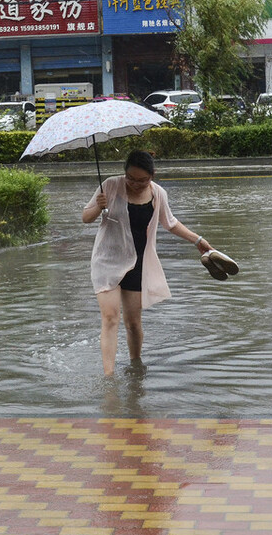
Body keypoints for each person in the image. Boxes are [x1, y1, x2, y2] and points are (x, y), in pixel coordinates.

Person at [81, 149, 214, 376]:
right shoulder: (111, 186)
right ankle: (109, 377)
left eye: (142, 180)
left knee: (133, 323)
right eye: (130, 178)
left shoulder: (158, 193)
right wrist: (98, 206)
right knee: (111, 317)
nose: (135, 184)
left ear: (152, 175)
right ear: (125, 174)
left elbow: (170, 223)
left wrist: (197, 240)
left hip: (138, 263)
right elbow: (86, 218)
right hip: (107, 261)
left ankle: (135, 367)